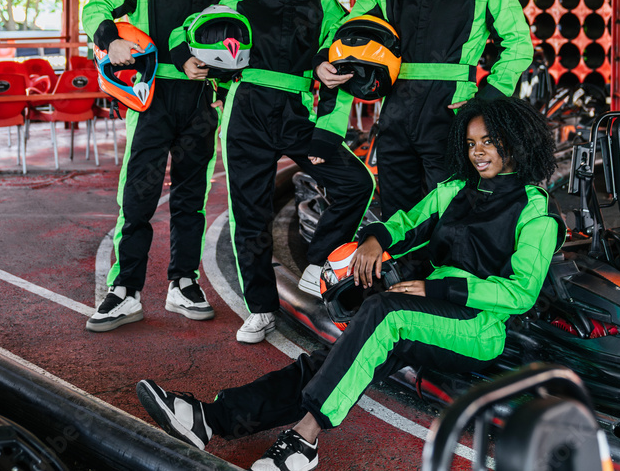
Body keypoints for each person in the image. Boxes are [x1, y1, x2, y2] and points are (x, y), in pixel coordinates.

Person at [136, 96, 561, 471]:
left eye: (488, 141)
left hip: (478, 327)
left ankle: (304, 439)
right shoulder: (455, 190)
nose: (477, 153)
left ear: (514, 140)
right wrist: (374, 239)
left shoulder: (536, 212)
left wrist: (437, 290)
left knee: (382, 313)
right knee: (334, 358)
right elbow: (408, 222)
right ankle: (210, 419)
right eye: (470, 144)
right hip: (427, 310)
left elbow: (520, 294)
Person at [187, 0, 374, 344]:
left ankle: (317, 262)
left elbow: (342, 62)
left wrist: (329, 126)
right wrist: (193, 58)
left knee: (356, 182)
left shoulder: (324, 3)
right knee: (249, 215)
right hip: (245, 113)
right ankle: (260, 309)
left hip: (297, 113)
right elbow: (192, 31)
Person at [83, 0, 235, 333]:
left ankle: (183, 283)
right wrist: (110, 40)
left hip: (200, 105)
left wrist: (215, 76)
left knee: (192, 200)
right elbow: (95, 7)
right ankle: (125, 290)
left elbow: (237, 50)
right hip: (150, 100)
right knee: (137, 199)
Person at [340, 0, 533, 219]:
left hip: (454, 113)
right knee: (398, 212)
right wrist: (324, 60)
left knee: (452, 210)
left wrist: (487, 99)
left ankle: (446, 273)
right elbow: (348, 30)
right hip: (396, 114)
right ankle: (404, 271)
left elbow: (518, 44)